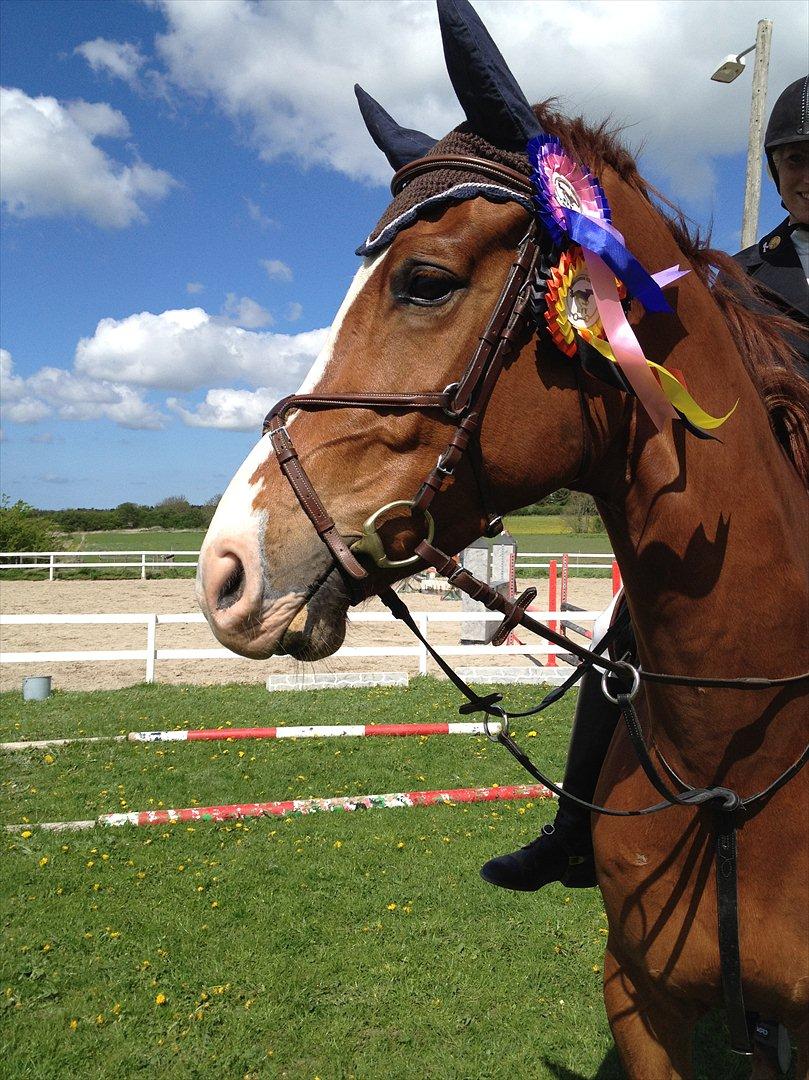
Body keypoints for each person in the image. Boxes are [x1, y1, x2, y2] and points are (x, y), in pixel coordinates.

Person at [480, 74, 809, 894]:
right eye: (790, 160)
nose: (803, 173)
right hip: (772, 507)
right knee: (629, 634)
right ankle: (572, 829)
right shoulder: (737, 276)